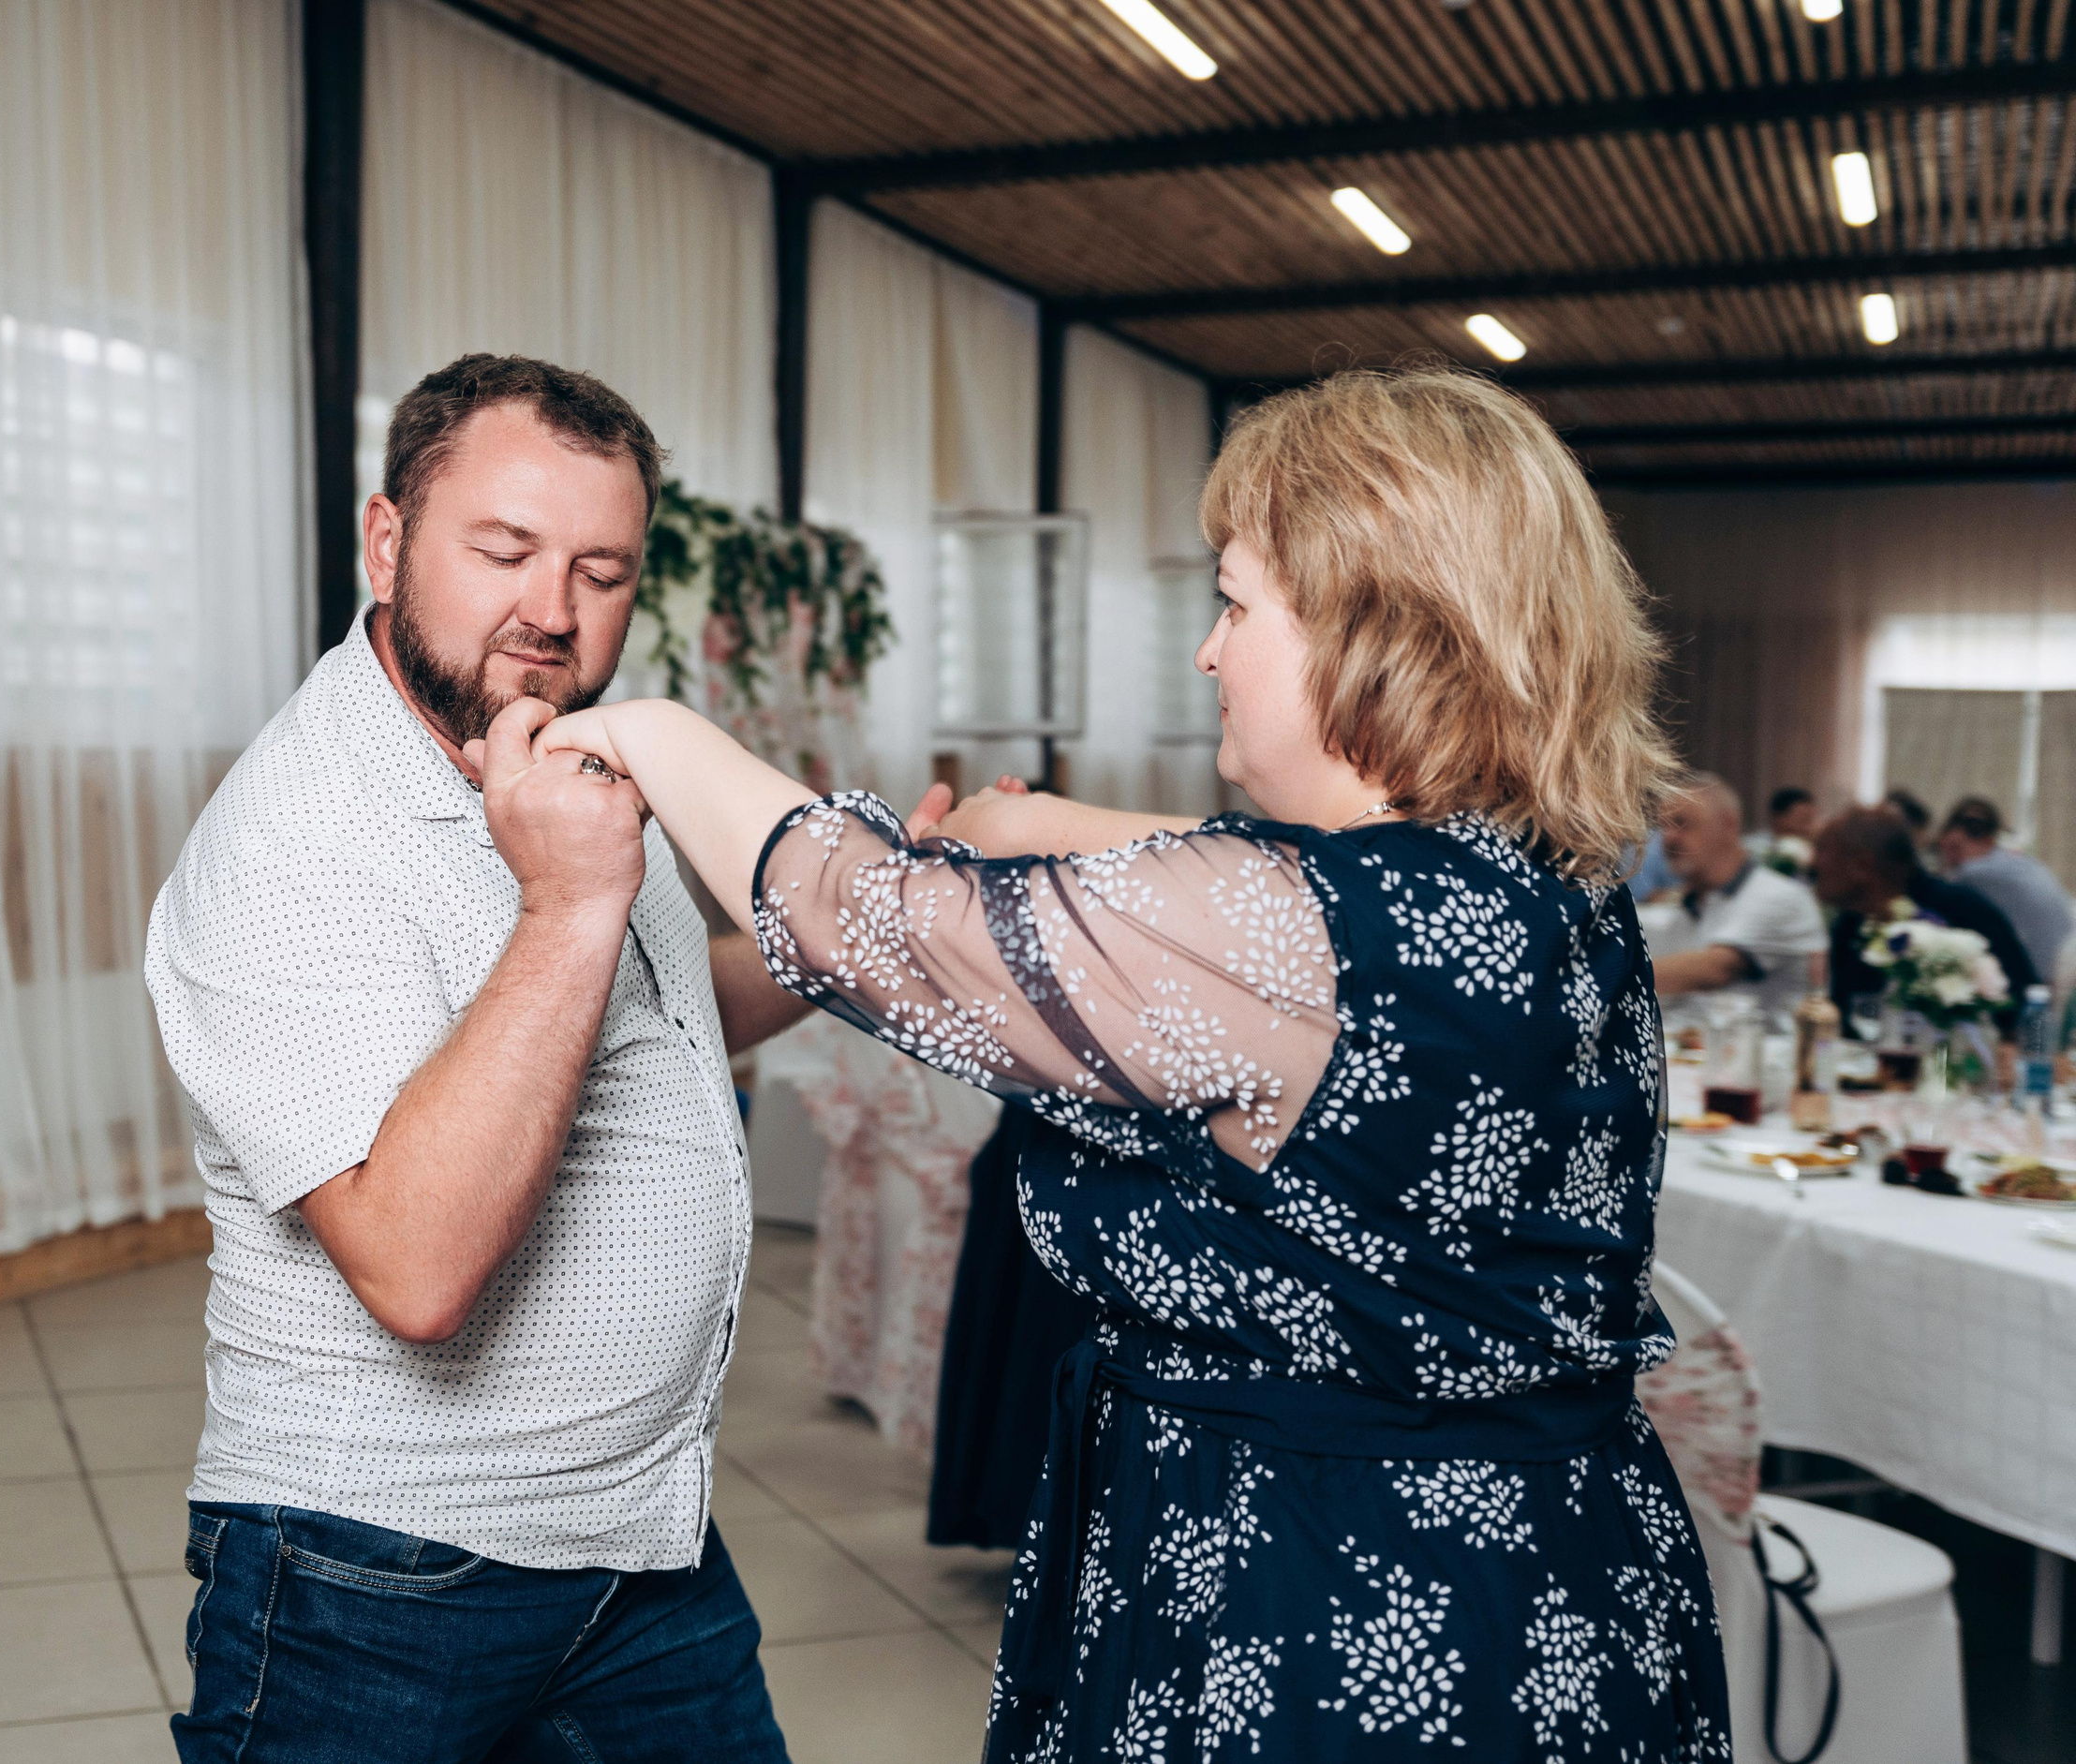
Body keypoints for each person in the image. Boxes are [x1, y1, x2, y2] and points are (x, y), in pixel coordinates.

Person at [526, 366, 1726, 1759]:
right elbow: (1279, 889)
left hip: (1325, 1593)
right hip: (1560, 1568)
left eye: (1236, 603)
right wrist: (1043, 824)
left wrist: (645, 729)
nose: (1209, 651)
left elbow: (875, 927)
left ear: (1370, 626)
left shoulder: (1292, 931)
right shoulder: (1545, 882)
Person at [144, 355, 807, 1762]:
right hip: (378, 1568)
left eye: (603, 569)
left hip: (641, 1543)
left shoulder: (557, 757)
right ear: (387, 540)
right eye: (503, 550)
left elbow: (657, 1033)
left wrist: (841, 949)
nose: (553, 612)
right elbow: (417, 1263)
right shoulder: (294, 837)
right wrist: (572, 904)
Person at [1816, 805, 2040, 1030]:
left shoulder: (1962, 910)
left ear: (1863, 865)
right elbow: (1846, 1027)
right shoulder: (1850, 925)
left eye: (1822, 850)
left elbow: (2028, 1009)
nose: (1813, 863)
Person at [1651, 772, 1828, 1019]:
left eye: (1682, 824)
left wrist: (1600, 980)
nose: (1668, 838)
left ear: (1728, 825)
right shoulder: (1689, 906)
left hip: (1768, 1054)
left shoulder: (1779, 897)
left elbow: (1715, 969)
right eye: (1664, 826)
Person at [1936, 795, 2072, 983]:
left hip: (2046, 979)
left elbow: (1941, 897)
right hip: (2064, 962)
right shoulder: (2017, 861)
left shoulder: (1973, 872)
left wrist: (1949, 862)